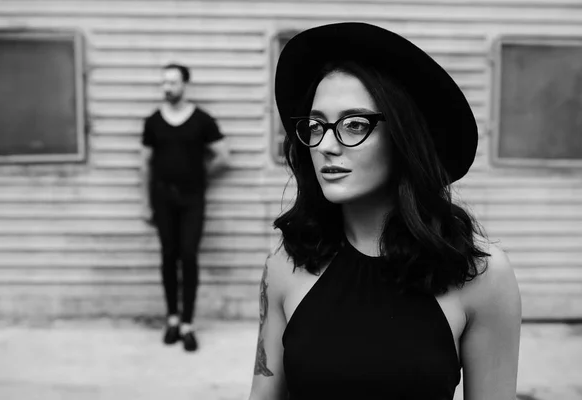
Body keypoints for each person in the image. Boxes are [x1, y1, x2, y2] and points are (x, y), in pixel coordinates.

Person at [248, 23, 521, 400]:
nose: (326, 144)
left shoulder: (480, 273)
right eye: (315, 125)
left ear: (403, 138)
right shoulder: (286, 264)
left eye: (355, 124)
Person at [140, 63, 229, 352]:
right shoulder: (153, 121)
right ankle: (173, 320)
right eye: (163, 82)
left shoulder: (201, 120)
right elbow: (145, 165)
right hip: (163, 199)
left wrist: (199, 175)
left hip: (192, 199)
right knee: (168, 256)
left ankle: (188, 324)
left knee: (188, 256)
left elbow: (223, 157)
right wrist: (146, 204)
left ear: (185, 85)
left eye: (173, 82)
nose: (167, 87)